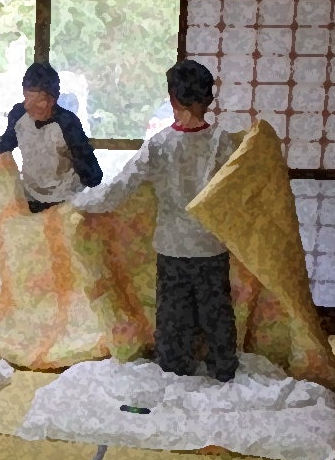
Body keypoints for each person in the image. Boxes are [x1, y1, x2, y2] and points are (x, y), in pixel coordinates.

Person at [71, 60, 245, 383]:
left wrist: (78, 202)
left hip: (172, 246)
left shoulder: (160, 145)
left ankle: (176, 371)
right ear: (208, 98)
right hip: (212, 246)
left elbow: (119, 189)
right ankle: (223, 371)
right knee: (218, 315)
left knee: (173, 320)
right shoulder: (224, 142)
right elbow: (239, 195)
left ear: (173, 98)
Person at [0, 61, 102, 213]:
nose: (39, 107)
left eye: (44, 101)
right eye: (31, 100)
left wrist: (75, 155)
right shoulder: (18, 115)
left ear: (54, 99)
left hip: (67, 201)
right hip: (30, 198)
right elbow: (4, 150)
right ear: (24, 94)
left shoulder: (67, 123)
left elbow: (93, 176)